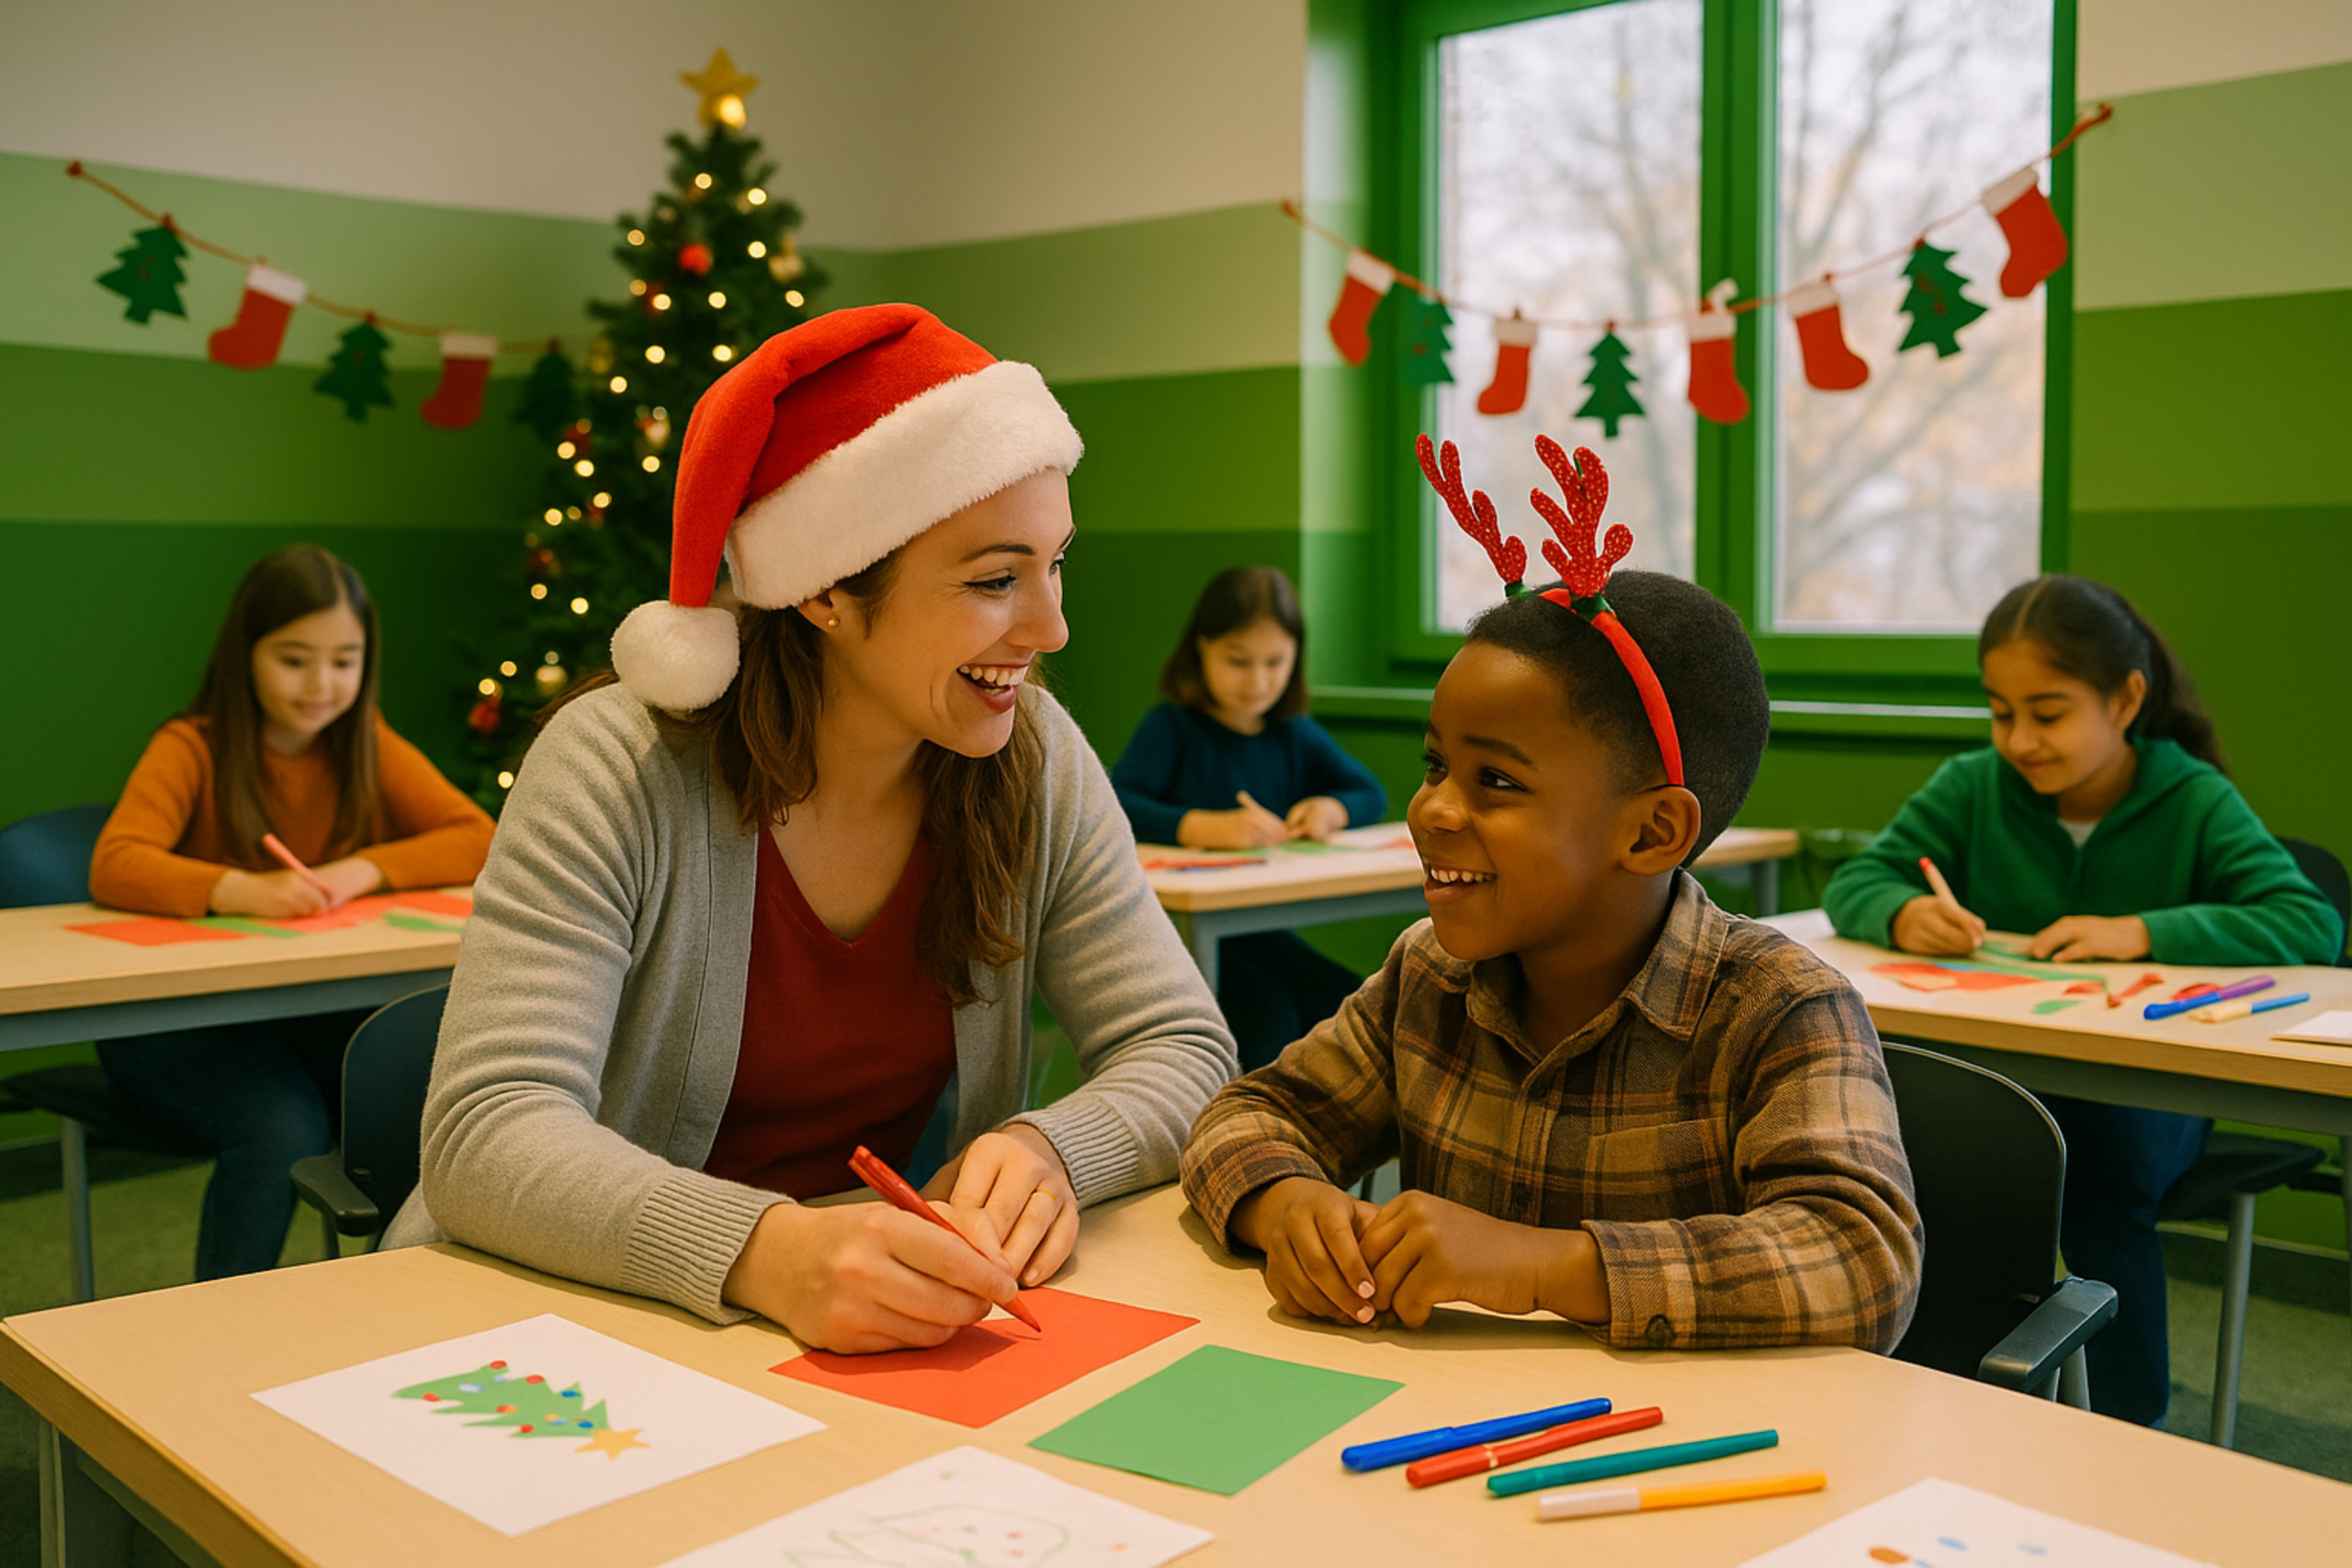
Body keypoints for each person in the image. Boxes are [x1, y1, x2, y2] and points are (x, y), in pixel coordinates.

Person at [385, 305, 1235, 1354]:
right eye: (993, 580)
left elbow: (1185, 1047)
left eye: (1055, 564)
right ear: (828, 589)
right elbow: (488, 1134)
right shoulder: (615, 765)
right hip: (567, 1329)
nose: (1051, 627)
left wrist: (1054, 1148)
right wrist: (767, 1252)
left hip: (834, 1332)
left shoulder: (1033, 757)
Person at [1181, 436, 1920, 1352]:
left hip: (1684, 1468)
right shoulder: (1429, 976)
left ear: (1652, 833)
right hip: (1445, 1435)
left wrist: (1540, 1265)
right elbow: (1248, 1112)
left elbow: (1861, 1260)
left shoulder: (1776, 1005)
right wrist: (1282, 1201)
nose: (1429, 808)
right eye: (1434, 764)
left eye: (1495, 782)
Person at [1824, 572, 2341, 1425]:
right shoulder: (1972, 784)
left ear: (2127, 698)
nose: (2019, 738)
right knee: (1938, 1135)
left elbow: (2307, 921)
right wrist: (1906, 909)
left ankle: (2127, 1422)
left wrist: (2141, 931)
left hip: (2145, 1090)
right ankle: (1943, 1394)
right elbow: (1861, 879)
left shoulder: (2192, 798)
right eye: (2000, 711)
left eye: (2049, 711)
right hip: (2006, 1063)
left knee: (2096, 1166)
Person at [88, 544, 494, 1279]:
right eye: (294, 658)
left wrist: (359, 869)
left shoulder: (363, 741)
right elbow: (115, 860)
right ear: (245, 655)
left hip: (293, 1011)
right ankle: (218, 1334)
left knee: (411, 1087)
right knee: (281, 1126)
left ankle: (393, 1298)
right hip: (177, 1022)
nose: (322, 684)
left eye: (345, 660)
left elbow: (477, 835)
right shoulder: (193, 746)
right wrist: (237, 888)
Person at [1111, 566, 1388, 1068]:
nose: (1258, 681)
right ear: (1201, 649)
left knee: (1351, 1002)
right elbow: (1116, 805)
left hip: (1256, 929)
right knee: (1268, 1017)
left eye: (1275, 662)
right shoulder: (1171, 727)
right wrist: (1202, 827)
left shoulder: (1293, 733)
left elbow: (1368, 791)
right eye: (1238, 661)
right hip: (1173, 935)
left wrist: (1332, 808)